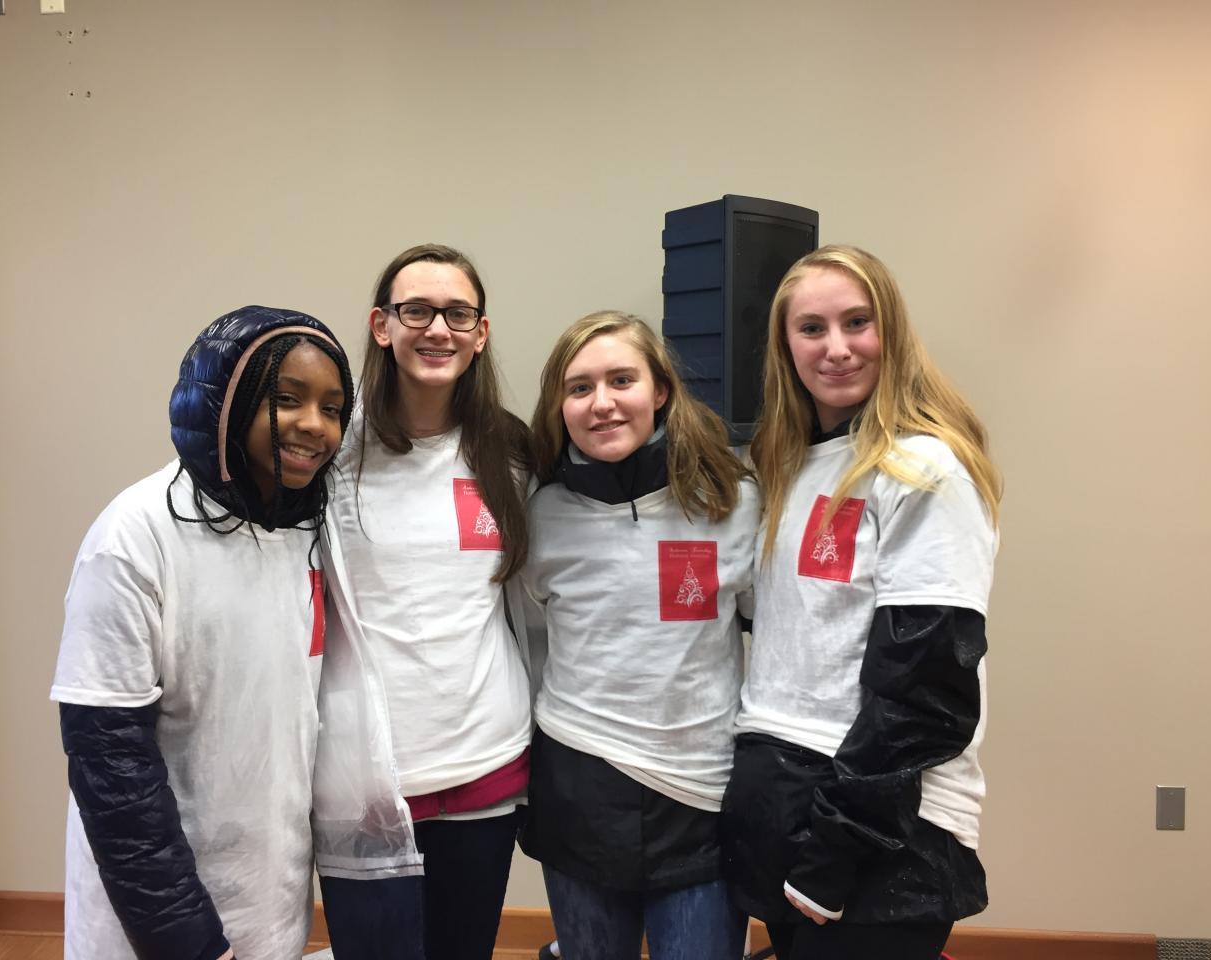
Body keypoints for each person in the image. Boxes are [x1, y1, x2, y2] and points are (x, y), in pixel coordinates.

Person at [721, 245, 1003, 960]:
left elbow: (927, 688)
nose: (837, 348)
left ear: (892, 331)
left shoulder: (924, 468)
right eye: (812, 328)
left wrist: (840, 844)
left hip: (882, 819)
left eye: (857, 322)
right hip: (787, 794)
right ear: (785, 347)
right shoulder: (785, 466)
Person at [51, 306, 355, 960]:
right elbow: (110, 766)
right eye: (286, 399)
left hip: (270, 898)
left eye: (332, 408)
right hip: (155, 925)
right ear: (226, 402)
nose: (315, 425)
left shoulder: (311, 532)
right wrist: (185, 939)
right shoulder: (134, 537)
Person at [313, 244, 534, 960]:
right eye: (417, 311)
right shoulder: (333, 452)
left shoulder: (511, 450)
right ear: (382, 325)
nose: (438, 329)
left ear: (480, 333)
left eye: (457, 314)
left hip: (484, 763)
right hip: (367, 776)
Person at [520, 311, 759, 960]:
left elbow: (774, 640)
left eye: (621, 380)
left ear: (661, 391)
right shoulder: (541, 513)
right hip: (579, 781)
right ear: (560, 407)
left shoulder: (733, 501)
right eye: (579, 388)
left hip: (700, 788)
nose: (601, 403)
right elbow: (532, 640)